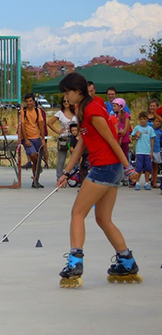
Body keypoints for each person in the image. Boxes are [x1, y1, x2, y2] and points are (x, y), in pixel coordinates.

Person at [56, 73, 140, 288]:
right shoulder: (84, 108)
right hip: (107, 168)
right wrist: (66, 172)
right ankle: (127, 262)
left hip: (105, 167)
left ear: (78, 92)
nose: (65, 97)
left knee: (77, 213)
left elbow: (111, 139)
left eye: (67, 92)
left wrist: (129, 168)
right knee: (103, 219)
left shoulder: (92, 111)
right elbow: (82, 143)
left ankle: (75, 262)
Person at [18, 93, 46, 188]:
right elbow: (22, 126)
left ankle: (35, 181)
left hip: (37, 137)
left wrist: (43, 138)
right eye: (27, 101)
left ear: (34, 101)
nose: (29, 103)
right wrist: (26, 139)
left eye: (30, 101)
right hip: (28, 138)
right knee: (33, 156)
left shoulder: (38, 111)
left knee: (37, 160)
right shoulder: (23, 111)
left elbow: (41, 124)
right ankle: (39, 168)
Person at [47, 95, 77, 180]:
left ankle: (75, 177)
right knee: (61, 160)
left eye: (68, 101)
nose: (66, 103)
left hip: (74, 138)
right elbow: (49, 123)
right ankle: (59, 178)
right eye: (64, 101)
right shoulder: (60, 113)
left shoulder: (75, 112)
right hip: (64, 138)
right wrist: (58, 131)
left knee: (76, 158)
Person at [130, 112, 155, 191]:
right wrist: (137, 136)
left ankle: (147, 182)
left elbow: (152, 140)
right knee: (138, 168)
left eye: (144, 119)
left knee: (148, 168)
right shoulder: (137, 128)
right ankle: (137, 182)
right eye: (141, 119)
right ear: (139, 120)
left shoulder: (150, 129)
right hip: (139, 151)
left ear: (147, 119)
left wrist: (151, 151)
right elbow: (132, 138)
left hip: (147, 151)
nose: (142, 121)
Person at [113, 98, 131, 185]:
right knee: (116, 159)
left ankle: (126, 176)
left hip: (124, 140)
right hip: (116, 140)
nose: (113, 107)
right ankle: (118, 177)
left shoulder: (126, 115)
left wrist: (119, 135)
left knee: (124, 157)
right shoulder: (114, 116)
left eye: (115, 106)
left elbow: (125, 130)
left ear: (120, 106)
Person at [151, 118, 162, 188]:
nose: (157, 123)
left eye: (159, 122)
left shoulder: (160, 132)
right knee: (149, 167)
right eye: (156, 121)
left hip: (157, 150)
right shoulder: (150, 130)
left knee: (155, 166)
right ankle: (148, 181)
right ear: (153, 122)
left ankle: (154, 182)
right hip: (150, 150)